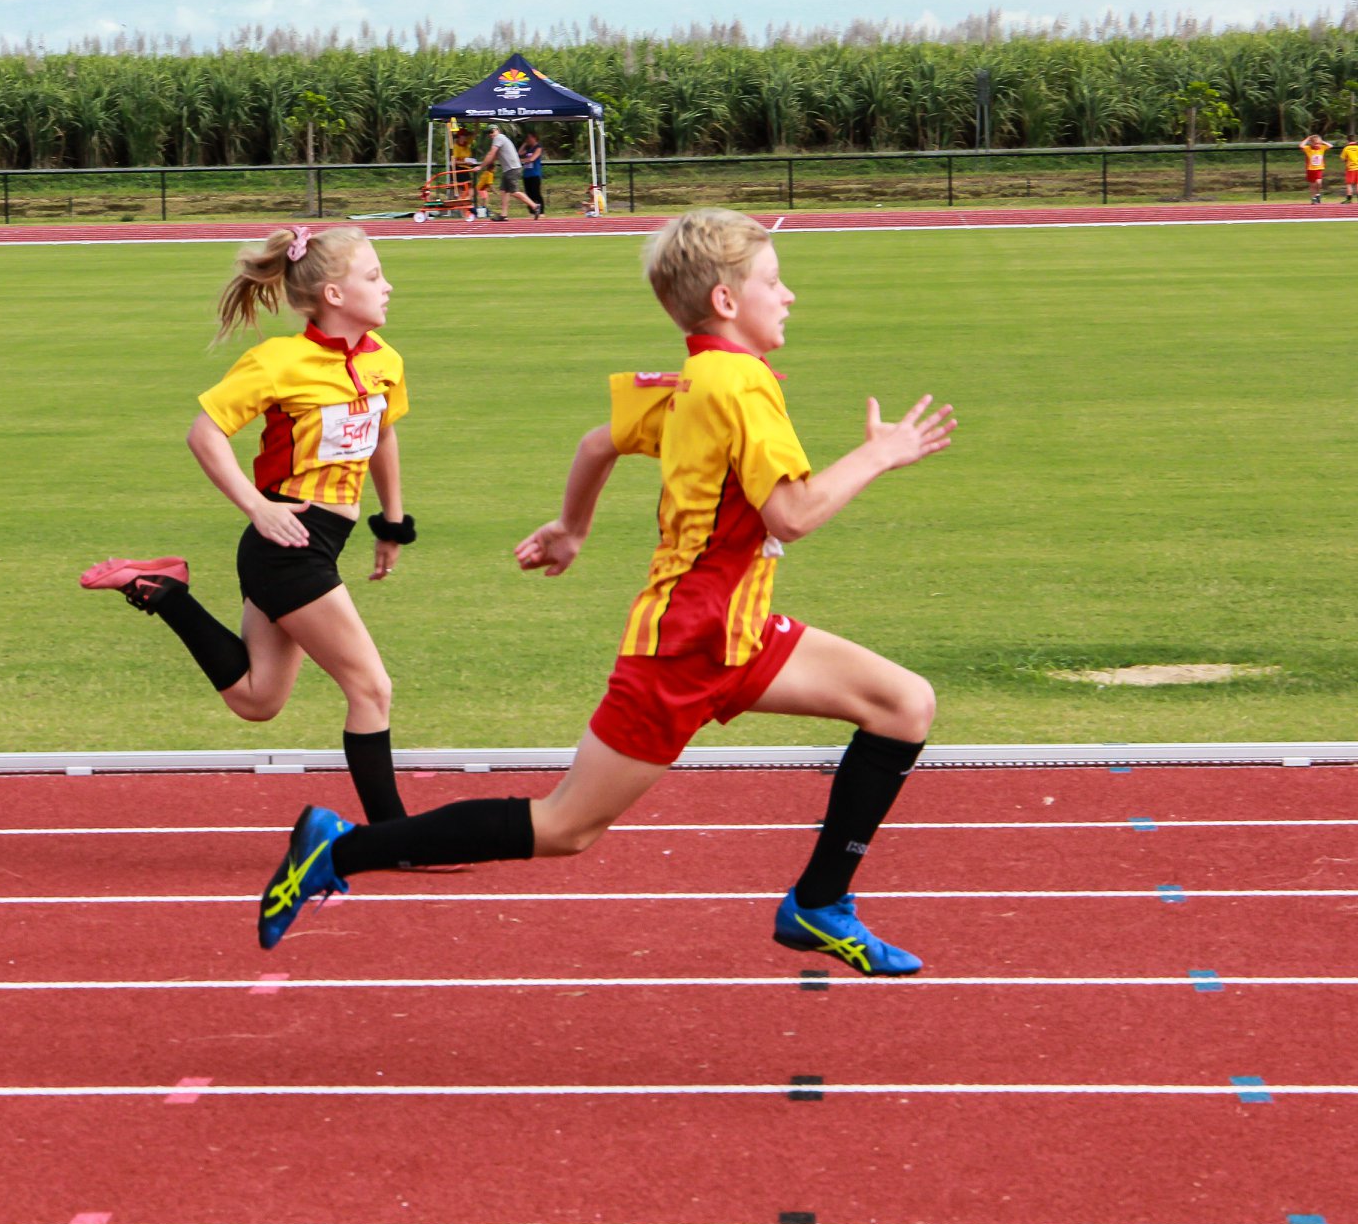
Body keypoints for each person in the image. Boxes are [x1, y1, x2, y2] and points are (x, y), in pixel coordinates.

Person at [257, 208, 957, 976]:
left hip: (735, 630)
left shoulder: (695, 376)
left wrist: (570, 526)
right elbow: (792, 513)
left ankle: (820, 904)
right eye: (773, 281)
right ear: (726, 300)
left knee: (904, 704)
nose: (788, 295)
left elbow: (600, 441)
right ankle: (341, 847)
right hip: (688, 644)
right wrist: (877, 455)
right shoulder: (741, 386)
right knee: (563, 827)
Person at [82, 225, 417, 828]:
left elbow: (382, 433)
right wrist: (255, 507)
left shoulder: (384, 361)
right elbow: (203, 433)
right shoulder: (279, 362)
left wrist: (391, 521)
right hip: (288, 545)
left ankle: (166, 594)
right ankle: (395, 836)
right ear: (335, 295)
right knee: (372, 689)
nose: (388, 286)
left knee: (258, 700)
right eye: (373, 277)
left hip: (314, 543)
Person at [478, 124, 542, 221]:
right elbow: (494, 157)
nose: (490, 134)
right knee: (504, 191)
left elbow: (491, 154)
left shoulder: (498, 138)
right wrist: (486, 166)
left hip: (512, 168)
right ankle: (504, 215)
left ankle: (534, 206)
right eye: (488, 133)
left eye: (492, 131)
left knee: (514, 192)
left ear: (497, 130)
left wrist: (480, 166)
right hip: (508, 169)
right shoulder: (500, 139)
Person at [518, 131, 546, 215]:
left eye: (529, 137)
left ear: (534, 138)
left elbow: (532, 159)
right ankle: (532, 211)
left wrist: (521, 161)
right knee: (528, 194)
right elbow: (519, 153)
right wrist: (524, 143)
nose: (528, 139)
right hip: (527, 174)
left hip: (535, 174)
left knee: (536, 193)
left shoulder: (538, 147)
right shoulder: (528, 148)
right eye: (527, 138)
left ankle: (541, 212)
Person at [1301, 135, 1329, 205]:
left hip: (1319, 169)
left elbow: (1330, 145)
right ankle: (1313, 198)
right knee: (1312, 185)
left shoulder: (1322, 148)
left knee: (1319, 183)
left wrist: (1322, 142)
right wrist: (1307, 138)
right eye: (1315, 143)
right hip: (1310, 169)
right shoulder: (1308, 148)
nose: (1317, 145)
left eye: (1318, 143)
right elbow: (1301, 146)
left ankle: (1318, 194)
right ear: (1311, 143)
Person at [1342, 134, 1357, 205]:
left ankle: (1349, 199)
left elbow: (1343, 158)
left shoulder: (1346, 148)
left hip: (1350, 168)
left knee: (1349, 184)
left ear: (1347, 140)